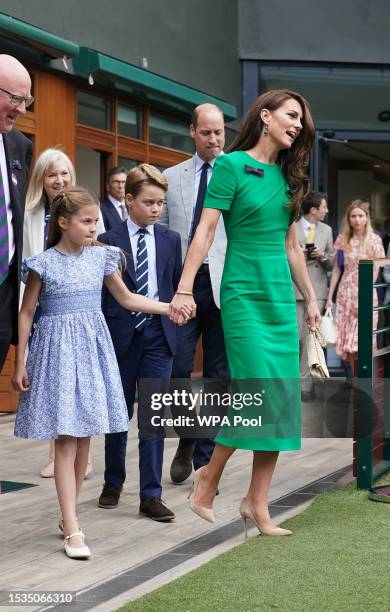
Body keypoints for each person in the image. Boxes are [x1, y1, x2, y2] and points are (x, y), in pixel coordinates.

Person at [170, 89, 321, 537]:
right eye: (292, 116)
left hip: (278, 298)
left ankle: (257, 502)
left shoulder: (289, 179)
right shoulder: (231, 167)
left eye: (302, 121)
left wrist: (311, 299)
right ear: (266, 115)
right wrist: (183, 287)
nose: (297, 125)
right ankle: (208, 478)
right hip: (241, 294)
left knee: (279, 401)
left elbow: (292, 247)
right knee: (256, 395)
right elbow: (204, 231)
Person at [12, 187, 191, 560]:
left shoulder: (104, 258)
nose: (95, 227)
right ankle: (73, 527)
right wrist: (20, 362)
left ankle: (69, 514)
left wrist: (168, 306)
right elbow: (27, 312)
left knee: (82, 441)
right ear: (64, 223)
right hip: (56, 353)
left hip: (92, 352)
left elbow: (127, 299)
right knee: (65, 438)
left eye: (96, 220)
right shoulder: (42, 263)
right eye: (87, 221)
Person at [98, 164, 185, 521]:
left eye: (161, 202)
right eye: (148, 202)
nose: (156, 209)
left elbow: (176, 285)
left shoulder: (171, 240)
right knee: (118, 413)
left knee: (153, 416)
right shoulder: (107, 241)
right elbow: (105, 297)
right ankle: (113, 480)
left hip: (158, 338)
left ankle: (151, 495)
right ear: (129, 199)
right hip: (119, 337)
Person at [22, 147, 103, 478]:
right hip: (40, 302)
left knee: (80, 379)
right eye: (51, 174)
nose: (58, 179)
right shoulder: (28, 213)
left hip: (77, 307)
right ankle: (57, 455)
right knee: (52, 380)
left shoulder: (84, 212)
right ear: (41, 179)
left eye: (64, 173)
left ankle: (81, 452)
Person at [161, 103, 229, 485]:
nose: (214, 139)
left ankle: (203, 457)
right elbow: (168, 236)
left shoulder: (236, 174)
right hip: (183, 287)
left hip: (222, 284)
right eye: (206, 132)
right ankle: (187, 437)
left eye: (219, 132)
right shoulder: (172, 177)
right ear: (192, 132)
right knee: (177, 368)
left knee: (220, 372)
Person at [0, 54, 33, 372]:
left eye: (27, 100)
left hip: (4, 292)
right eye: (17, 98)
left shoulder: (20, 146)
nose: (23, 109)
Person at [326, 200, 385, 371]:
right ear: (348, 218)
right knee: (348, 343)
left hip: (365, 293)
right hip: (346, 294)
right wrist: (330, 297)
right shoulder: (343, 239)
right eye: (353, 216)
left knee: (364, 339)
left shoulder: (374, 240)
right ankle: (354, 382)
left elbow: (377, 269)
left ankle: (366, 382)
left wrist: (365, 291)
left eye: (360, 216)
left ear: (367, 218)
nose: (357, 220)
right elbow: (337, 268)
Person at [294, 191, 334, 402]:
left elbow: (332, 263)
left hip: (317, 291)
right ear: (314, 210)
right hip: (293, 290)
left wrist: (323, 256)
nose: (327, 211)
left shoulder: (327, 231)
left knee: (310, 340)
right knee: (296, 339)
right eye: (324, 207)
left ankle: (306, 387)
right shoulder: (291, 226)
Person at [100, 166, 128, 230]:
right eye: (116, 182)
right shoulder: (101, 209)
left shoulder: (132, 207)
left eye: (124, 182)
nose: (120, 186)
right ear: (108, 186)